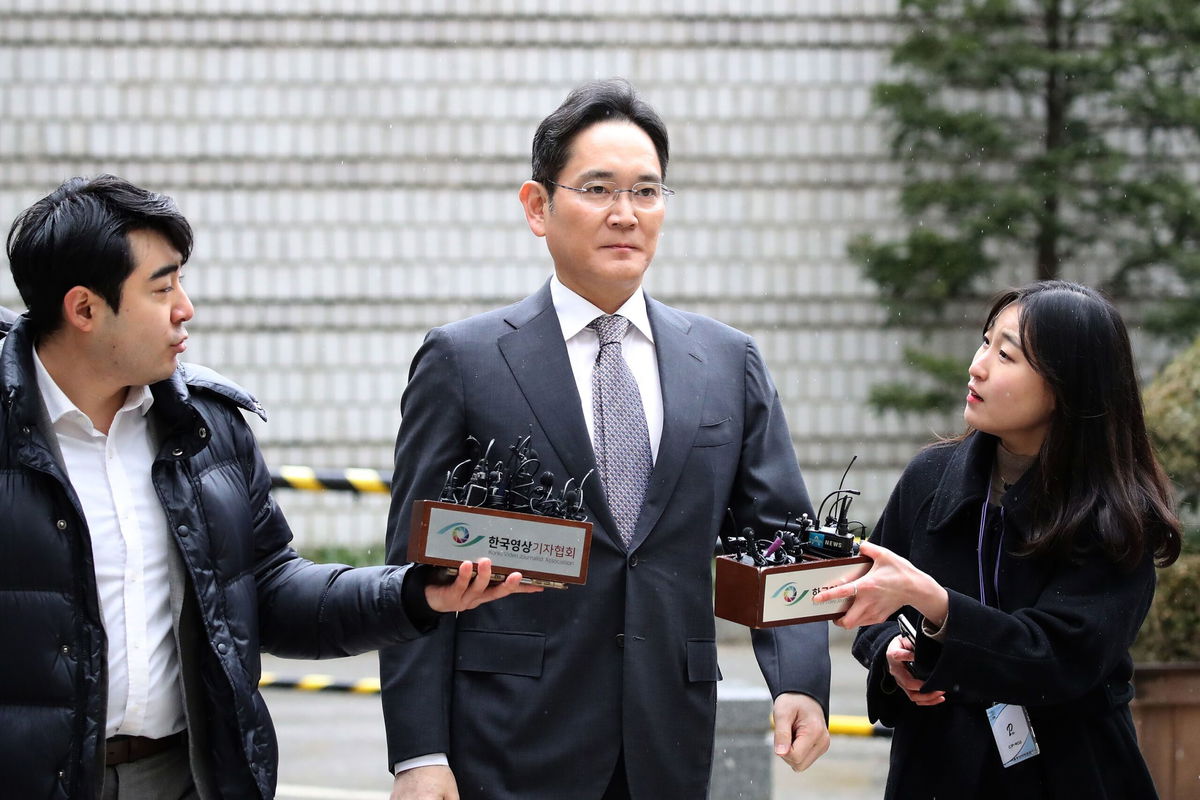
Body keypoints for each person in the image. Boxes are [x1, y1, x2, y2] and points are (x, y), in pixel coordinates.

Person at [0, 174, 540, 800]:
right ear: (85, 309)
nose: (185, 308)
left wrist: (415, 595)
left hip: (189, 776)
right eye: (162, 286)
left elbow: (270, 594)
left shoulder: (205, 427)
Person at [378, 78, 831, 800]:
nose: (626, 214)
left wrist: (801, 678)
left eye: (647, 192)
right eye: (597, 188)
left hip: (668, 736)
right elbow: (417, 562)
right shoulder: (464, 361)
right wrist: (417, 751)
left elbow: (781, 536)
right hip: (507, 739)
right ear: (538, 206)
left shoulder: (724, 360)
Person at [818, 280, 1182, 799]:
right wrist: (890, 656)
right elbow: (876, 607)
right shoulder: (930, 478)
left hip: (1069, 772)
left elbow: (1057, 658)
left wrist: (934, 603)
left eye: (1006, 355)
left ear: (1066, 387)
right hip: (938, 768)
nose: (978, 365)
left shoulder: (1117, 514)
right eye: (985, 341)